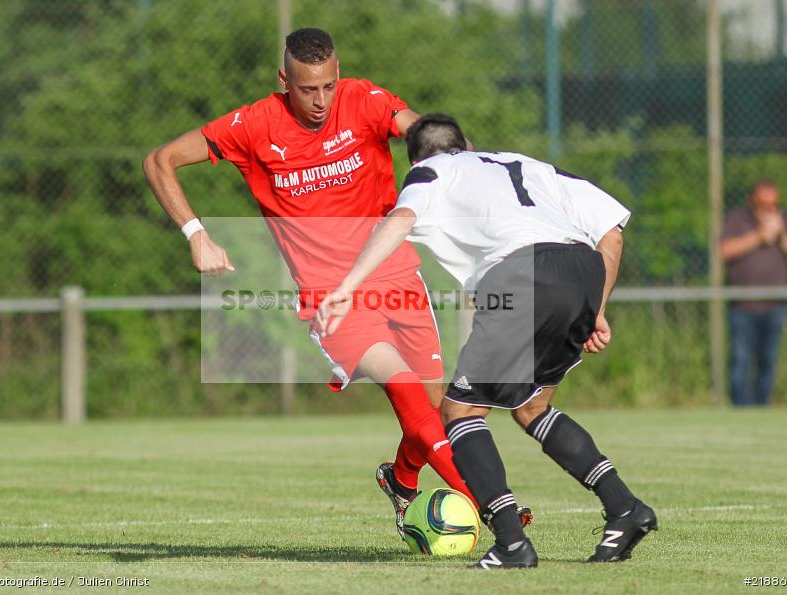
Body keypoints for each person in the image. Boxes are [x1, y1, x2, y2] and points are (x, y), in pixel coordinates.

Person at [142, 29, 531, 539]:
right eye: (307, 90)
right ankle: (495, 509)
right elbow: (159, 160)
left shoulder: (365, 99)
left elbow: (428, 138)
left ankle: (401, 479)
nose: (321, 100)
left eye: (329, 85)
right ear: (285, 80)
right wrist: (197, 234)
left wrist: (454, 159)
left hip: (399, 278)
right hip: (331, 298)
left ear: (338, 73)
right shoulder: (251, 125)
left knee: (435, 415)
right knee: (410, 397)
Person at [318, 114, 658, 568]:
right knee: (532, 406)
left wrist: (347, 287)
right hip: (580, 268)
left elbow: (401, 219)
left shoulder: (430, 171)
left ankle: (512, 542)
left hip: (522, 275)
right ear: (469, 143)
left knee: (459, 411)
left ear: (415, 159)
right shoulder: (527, 164)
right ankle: (625, 508)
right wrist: (596, 307)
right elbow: (611, 232)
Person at [719, 179, 787, 407]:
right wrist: (759, 236)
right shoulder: (738, 219)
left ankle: (762, 408)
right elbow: (724, 251)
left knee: (768, 363)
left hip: (775, 305)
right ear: (752, 200)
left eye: (773, 204)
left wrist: (779, 235)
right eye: (763, 203)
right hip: (742, 305)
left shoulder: (785, 220)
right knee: (741, 362)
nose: (768, 209)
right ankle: (740, 410)